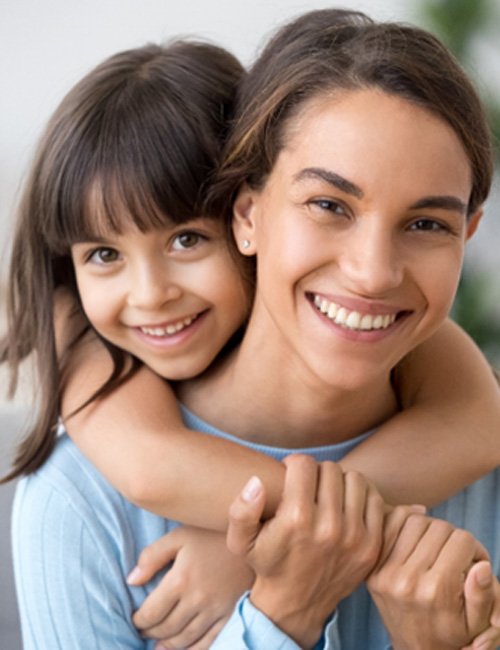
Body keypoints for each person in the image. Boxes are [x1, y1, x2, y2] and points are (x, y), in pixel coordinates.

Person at [1, 13, 499, 650]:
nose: (373, 274)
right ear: (247, 216)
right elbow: (147, 464)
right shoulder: (81, 500)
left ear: (467, 234)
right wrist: (280, 610)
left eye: (427, 224)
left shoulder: (477, 434)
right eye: (328, 205)